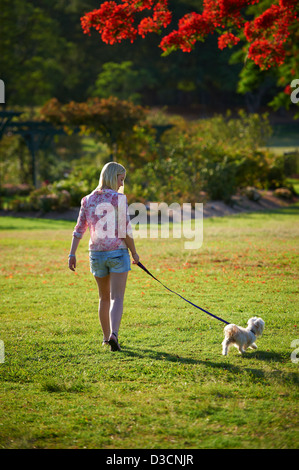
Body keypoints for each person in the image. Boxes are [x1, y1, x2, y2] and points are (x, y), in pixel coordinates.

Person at [68, 162, 139, 351]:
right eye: (121, 179)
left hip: (96, 254)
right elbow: (124, 231)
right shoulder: (119, 199)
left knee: (103, 298)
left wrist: (72, 253)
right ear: (112, 177)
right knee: (117, 297)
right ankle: (114, 334)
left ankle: (106, 338)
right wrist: (134, 252)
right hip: (117, 252)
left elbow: (78, 229)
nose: (122, 184)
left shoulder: (87, 200)